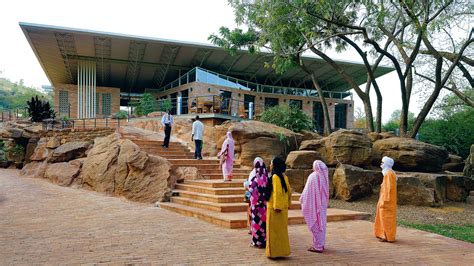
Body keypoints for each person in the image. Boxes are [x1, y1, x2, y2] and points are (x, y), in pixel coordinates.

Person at [300, 160, 330, 253]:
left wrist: (302, 198)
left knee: (316, 224)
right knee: (321, 224)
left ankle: (318, 246)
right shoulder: (324, 177)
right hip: (322, 206)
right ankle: (319, 244)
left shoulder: (313, 176)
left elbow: (307, 192)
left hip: (314, 206)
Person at [265, 157, 292, 258]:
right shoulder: (284, 177)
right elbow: (289, 192)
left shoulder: (275, 177)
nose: (270, 166)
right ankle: (282, 252)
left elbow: (277, 192)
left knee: (274, 232)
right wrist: (287, 204)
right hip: (283, 208)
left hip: (275, 209)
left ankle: (274, 253)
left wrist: (277, 206)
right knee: (282, 232)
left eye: (271, 164)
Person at [374, 156, 397, 243]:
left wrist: (384, 201)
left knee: (386, 218)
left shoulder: (388, 174)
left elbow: (388, 189)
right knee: (384, 217)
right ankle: (384, 234)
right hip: (386, 199)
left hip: (387, 201)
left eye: (383, 163)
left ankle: (386, 236)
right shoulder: (389, 173)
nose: (381, 164)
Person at [247, 157, 269, 248]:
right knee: (263, 223)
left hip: (255, 206)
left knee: (256, 223)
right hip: (263, 206)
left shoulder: (255, 179)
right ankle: (263, 241)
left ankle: (256, 242)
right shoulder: (266, 178)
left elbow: (251, 190)